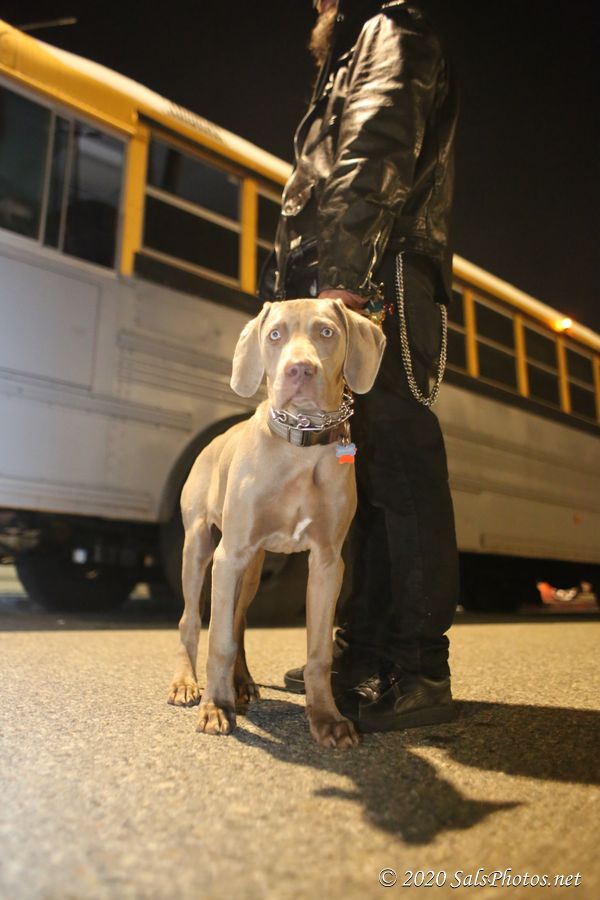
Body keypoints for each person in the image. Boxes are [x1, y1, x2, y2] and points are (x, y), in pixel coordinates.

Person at [260, 0, 460, 732]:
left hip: (378, 283)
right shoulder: (354, 50)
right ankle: (360, 650)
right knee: (357, 470)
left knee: (398, 468)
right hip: (356, 280)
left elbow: (375, 148)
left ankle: (419, 668)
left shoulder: (391, 30)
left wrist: (342, 279)